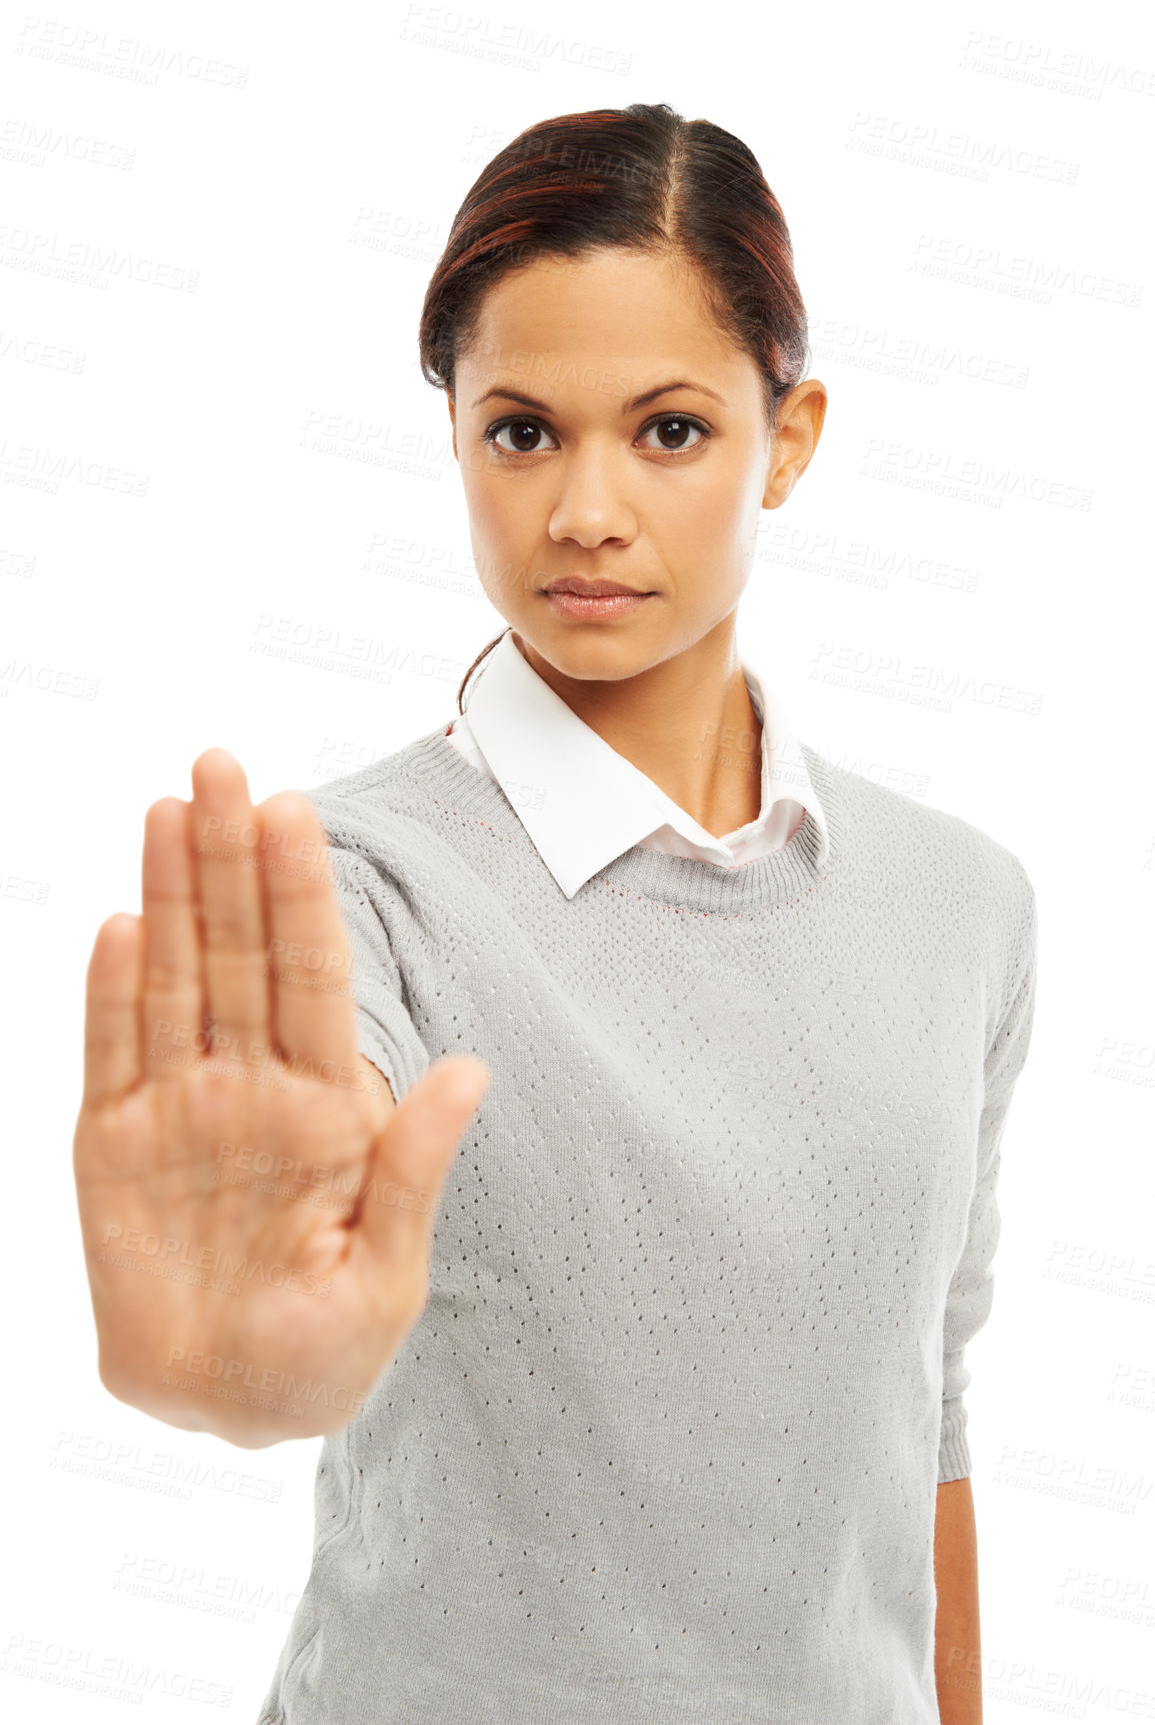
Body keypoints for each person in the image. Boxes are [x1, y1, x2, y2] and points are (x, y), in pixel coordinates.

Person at [72, 102, 1038, 1724]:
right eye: (523, 432)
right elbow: (288, 1245)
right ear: (454, 430)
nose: (587, 511)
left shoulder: (964, 905)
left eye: (668, 431)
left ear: (787, 439)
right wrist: (240, 1364)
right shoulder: (352, 883)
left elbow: (924, 1411)